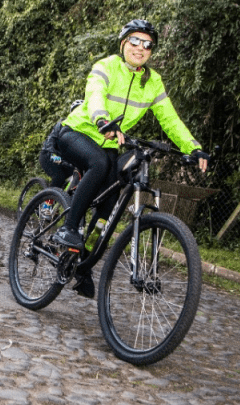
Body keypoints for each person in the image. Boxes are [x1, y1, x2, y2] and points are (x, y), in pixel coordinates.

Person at [52, 19, 209, 298]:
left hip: (111, 141)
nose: (141, 48)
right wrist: (103, 119)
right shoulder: (106, 65)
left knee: (113, 195)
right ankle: (68, 229)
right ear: (124, 43)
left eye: (148, 44)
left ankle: (82, 259)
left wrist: (192, 147)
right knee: (99, 165)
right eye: (135, 41)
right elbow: (95, 94)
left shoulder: (153, 81)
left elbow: (170, 119)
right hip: (77, 132)